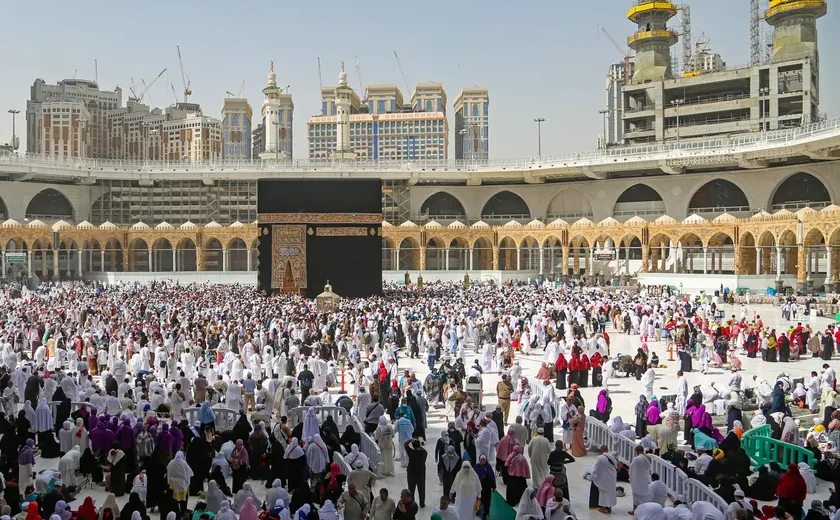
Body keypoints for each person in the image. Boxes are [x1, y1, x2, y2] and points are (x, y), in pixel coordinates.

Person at [590, 445, 618, 514]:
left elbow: (597, 469)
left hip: (604, 479)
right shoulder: (612, 457)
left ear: (601, 450)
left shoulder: (601, 458)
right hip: (612, 477)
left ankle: (603, 509)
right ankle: (609, 507)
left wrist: (593, 474)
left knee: (603, 494)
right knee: (610, 493)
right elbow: (617, 466)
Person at [404, 438, 427, 508]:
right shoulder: (423, 453)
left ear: (413, 446)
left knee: (411, 490)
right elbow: (424, 450)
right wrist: (419, 445)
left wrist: (410, 439)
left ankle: (412, 503)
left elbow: (405, 444)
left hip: (411, 474)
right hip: (421, 474)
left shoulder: (411, 452)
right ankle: (422, 503)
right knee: (421, 490)